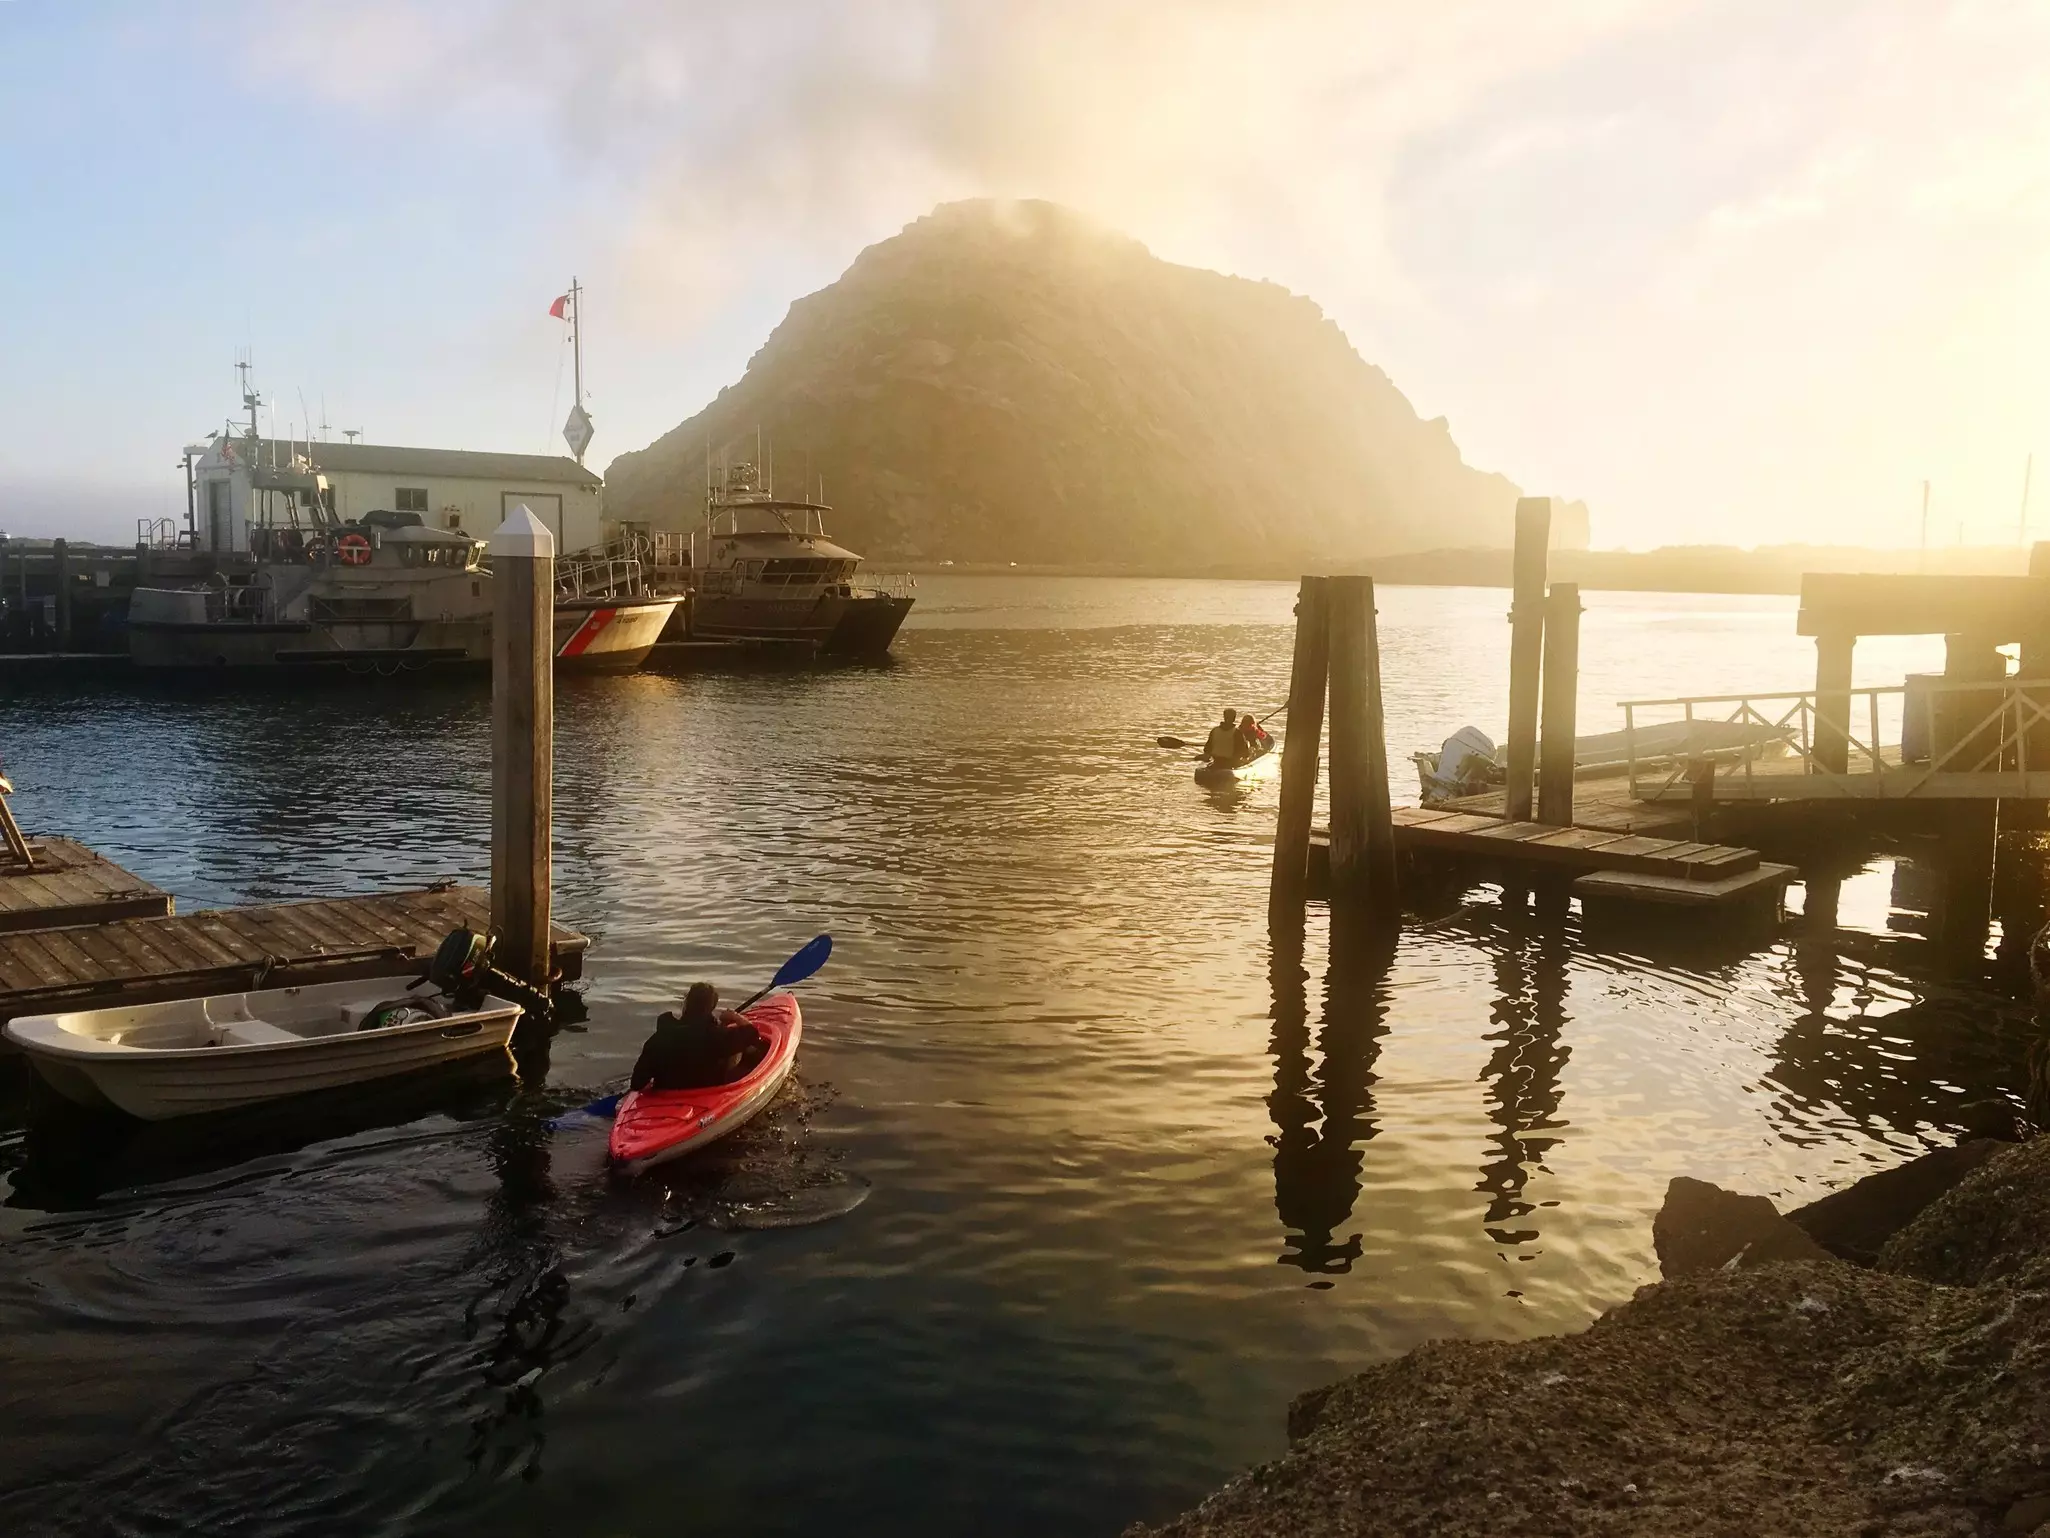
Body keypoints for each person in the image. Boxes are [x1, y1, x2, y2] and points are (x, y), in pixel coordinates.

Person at [630, 982, 767, 1092]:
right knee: (739, 1046)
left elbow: (636, 1084)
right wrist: (733, 1017)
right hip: (706, 1092)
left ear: (686, 1005)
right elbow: (753, 1034)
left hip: (667, 1092)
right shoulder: (717, 1036)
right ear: (711, 1008)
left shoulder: (659, 1037)